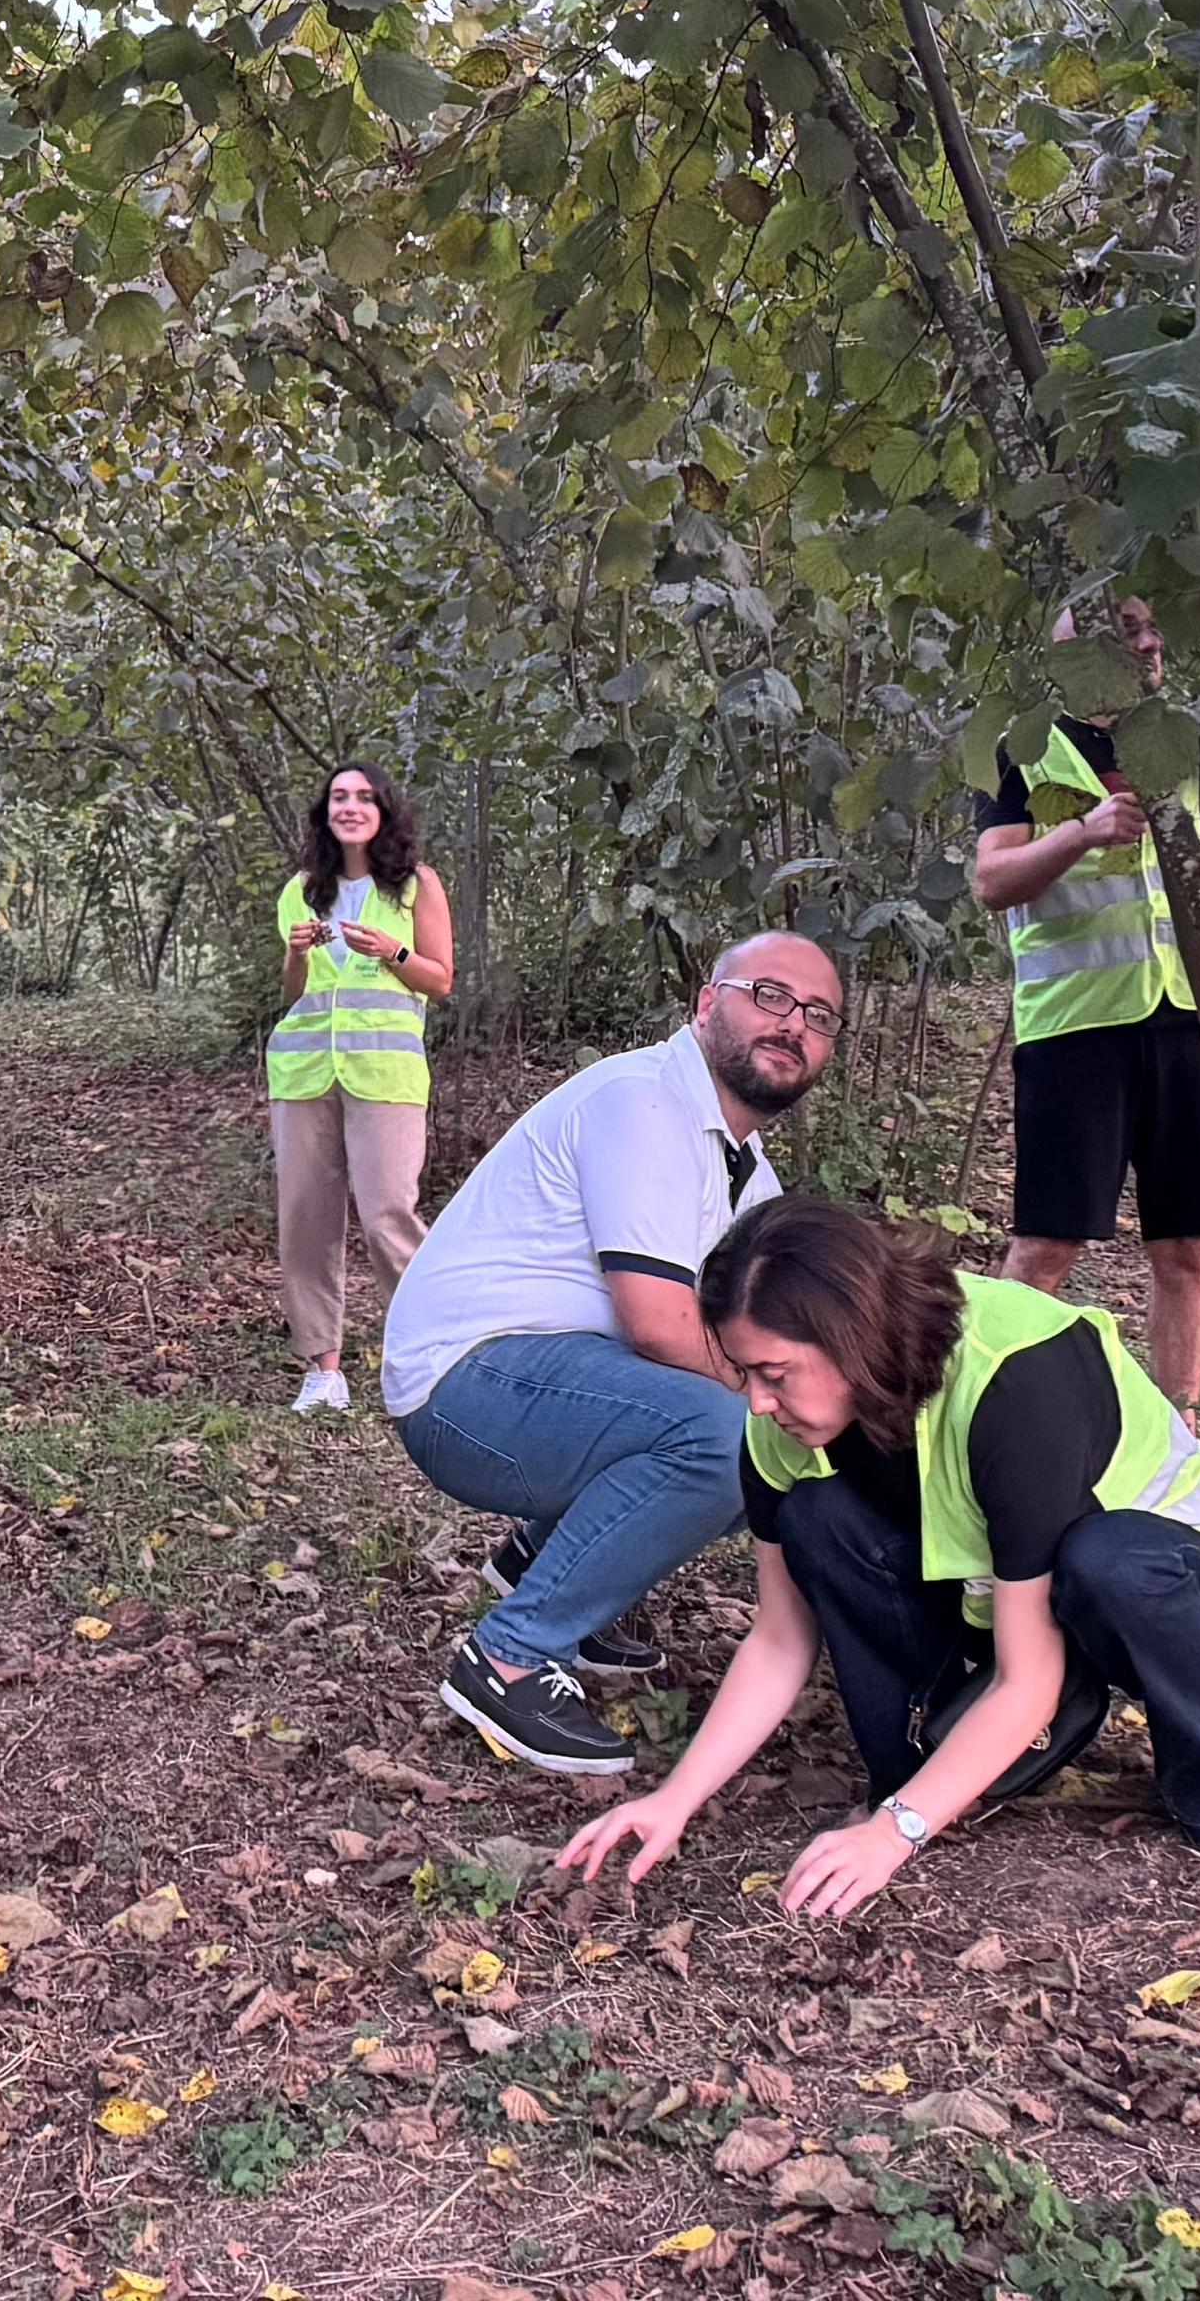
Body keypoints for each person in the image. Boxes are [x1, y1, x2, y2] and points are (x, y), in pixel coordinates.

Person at [550, 1194, 1200, 1917]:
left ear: (850, 1338)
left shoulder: (1017, 1379)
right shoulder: (780, 1429)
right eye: (745, 1374)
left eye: (774, 1375)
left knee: (1106, 1562)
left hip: (1174, 1584)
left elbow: (1026, 1675)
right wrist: (676, 1797)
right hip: (1002, 1593)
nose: (757, 1402)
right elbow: (780, 1640)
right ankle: (929, 1766)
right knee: (820, 1515)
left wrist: (896, 1833)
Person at [377, 931, 838, 1778]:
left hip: (545, 1381)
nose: (792, 1025)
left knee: (772, 1439)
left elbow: (743, 1331)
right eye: (769, 995)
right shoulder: (645, 1100)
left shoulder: (748, 1172)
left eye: (817, 1016)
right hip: (466, 1381)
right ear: (707, 1004)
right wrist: (787, 1396)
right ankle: (508, 1659)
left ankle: (544, 1559)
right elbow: (662, 1326)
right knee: (733, 1430)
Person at [969, 602, 1200, 1406]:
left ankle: (1180, 1440)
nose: (1151, 644)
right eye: (1128, 631)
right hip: (1075, 1029)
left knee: (1187, 1248)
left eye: (1155, 627)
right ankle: (985, 1417)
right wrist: (1082, 831)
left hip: (1180, 1020)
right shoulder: (1026, 746)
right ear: (1077, 651)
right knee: (1047, 1245)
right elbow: (991, 879)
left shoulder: (1175, 741)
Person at [268, 758, 451, 1413]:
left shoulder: (414, 886)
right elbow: (293, 995)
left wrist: (391, 954)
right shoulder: (301, 889)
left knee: (386, 1215)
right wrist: (296, 952)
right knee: (306, 1219)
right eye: (338, 797)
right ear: (325, 813)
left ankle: (435, 1346)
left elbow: (441, 979)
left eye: (364, 798)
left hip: (387, 1073)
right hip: (304, 1071)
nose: (350, 806)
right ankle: (323, 1369)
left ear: (383, 811)